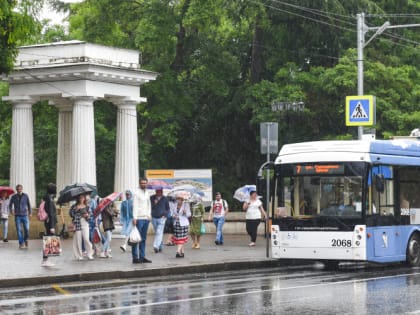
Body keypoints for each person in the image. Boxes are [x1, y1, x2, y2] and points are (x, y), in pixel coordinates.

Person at [132, 178, 152, 264]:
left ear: (147, 184)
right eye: (142, 183)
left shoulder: (147, 193)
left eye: (145, 183)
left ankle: (142, 256)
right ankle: (135, 257)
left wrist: (149, 215)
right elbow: (135, 206)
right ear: (139, 184)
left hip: (145, 218)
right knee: (136, 238)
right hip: (139, 218)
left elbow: (149, 205)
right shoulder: (136, 193)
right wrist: (134, 217)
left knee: (143, 239)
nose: (143, 184)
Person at [69, 194, 94, 260]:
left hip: (85, 223)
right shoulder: (74, 206)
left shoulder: (87, 206)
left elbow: (91, 216)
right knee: (78, 240)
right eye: (80, 198)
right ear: (78, 199)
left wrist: (87, 215)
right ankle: (79, 255)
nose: (81, 199)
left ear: (84, 198)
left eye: (82, 198)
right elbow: (71, 214)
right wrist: (76, 210)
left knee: (86, 239)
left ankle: (90, 254)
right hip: (77, 223)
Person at [9, 184, 31, 249]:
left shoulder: (26, 196)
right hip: (17, 215)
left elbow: (29, 205)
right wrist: (11, 211)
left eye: (20, 189)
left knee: (27, 229)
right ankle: (21, 243)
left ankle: (26, 239)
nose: (19, 190)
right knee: (19, 230)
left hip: (25, 215)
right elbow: (10, 205)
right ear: (16, 190)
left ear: (22, 189)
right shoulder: (14, 196)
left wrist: (30, 213)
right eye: (18, 189)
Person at [42, 183, 58, 266]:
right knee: (48, 242)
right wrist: (52, 226)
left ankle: (46, 259)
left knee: (48, 241)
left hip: (48, 222)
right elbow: (51, 213)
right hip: (50, 223)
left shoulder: (47, 197)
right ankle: (45, 260)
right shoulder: (50, 199)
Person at [151, 188, 170, 253]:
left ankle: (156, 246)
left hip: (162, 218)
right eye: (157, 191)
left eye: (160, 191)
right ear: (155, 191)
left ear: (162, 192)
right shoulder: (152, 198)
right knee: (158, 233)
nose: (159, 193)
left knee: (159, 232)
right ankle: (160, 246)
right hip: (154, 217)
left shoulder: (165, 199)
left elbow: (168, 208)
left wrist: (165, 215)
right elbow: (149, 207)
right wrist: (155, 203)